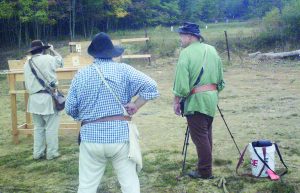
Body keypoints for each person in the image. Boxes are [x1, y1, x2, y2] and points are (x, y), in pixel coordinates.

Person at [65, 32, 159, 193]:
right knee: (129, 183)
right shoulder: (124, 70)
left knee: (86, 185)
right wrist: (136, 105)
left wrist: (82, 116)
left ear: (93, 54)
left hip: (90, 137)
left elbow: (70, 108)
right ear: (112, 53)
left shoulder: (80, 75)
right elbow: (151, 86)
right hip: (120, 137)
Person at [173, 22, 225, 179]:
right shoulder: (212, 50)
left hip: (195, 100)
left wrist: (176, 101)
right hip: (211, 98)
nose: (180, 39)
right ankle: (205, 166)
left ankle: (204, 172)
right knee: (205, 133)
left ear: (189, 36)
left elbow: (181, 83)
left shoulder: (186, 53)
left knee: (200, 137)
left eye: (181, 36)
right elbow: (221, 79)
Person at [24, 40, 64, 160]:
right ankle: (52, 153)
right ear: (43, 49)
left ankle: (38, 153)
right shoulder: (48, 58)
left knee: (38, 128)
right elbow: (61, 61)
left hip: (34, 99)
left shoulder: (27, 63)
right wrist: (52, 49)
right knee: (51, 127)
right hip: (48, 98)